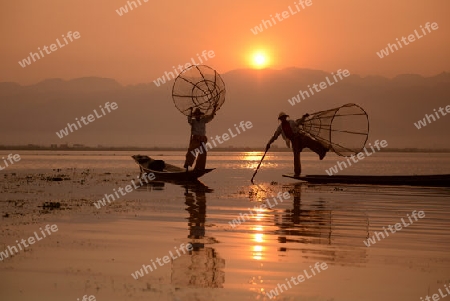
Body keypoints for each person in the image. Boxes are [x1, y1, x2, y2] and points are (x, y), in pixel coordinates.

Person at [266, 112, 329, 177]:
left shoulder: (291, 122)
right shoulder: (280, 128)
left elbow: (298, 123)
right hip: (294, 141)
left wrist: (303, 117)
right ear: (280, 119)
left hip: (299, 137)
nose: (283, 119)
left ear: (286, 117)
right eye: (282, 118)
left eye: (284, 117)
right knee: (296, 156)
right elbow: (275, 136)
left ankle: (322, 151)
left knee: (310, 141)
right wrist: (269, 143)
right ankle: (297, 172)